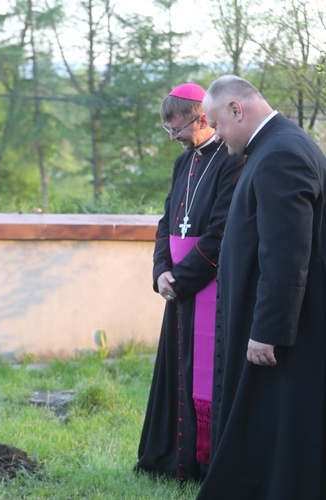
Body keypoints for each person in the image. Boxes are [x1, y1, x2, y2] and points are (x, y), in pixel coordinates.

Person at [196, 76, 326, 498]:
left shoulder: (281, 154)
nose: (216, 136)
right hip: (274, 319)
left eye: (217, 124)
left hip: (284, 329)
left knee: (277, 419)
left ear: (237, 110)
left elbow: (286, 252)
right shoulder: (275, 146)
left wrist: (267, 330)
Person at [135, 83, 243, 482]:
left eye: (177, 130)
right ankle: (167, 460)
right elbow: (167, 221)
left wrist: (181, 279)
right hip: (177, 288)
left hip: (207, 288)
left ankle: (200, 465)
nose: (174, 139)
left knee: (203, 374)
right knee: (173, 374)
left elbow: (221, 232)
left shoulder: (231, 159)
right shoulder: (183, 163)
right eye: (168, 131)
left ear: (201, 118)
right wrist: (160, 271)